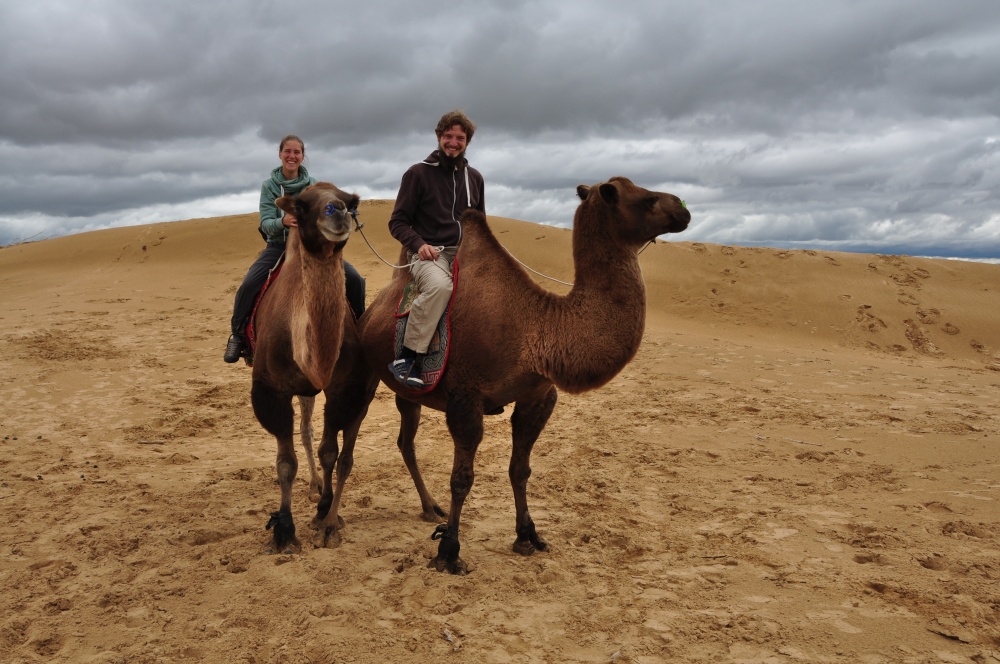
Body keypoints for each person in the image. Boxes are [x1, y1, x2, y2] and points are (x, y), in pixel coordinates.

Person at [224, 135, 366, 363]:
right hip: (278, 246)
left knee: (355, 280)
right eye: (288, 152)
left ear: (302, 156)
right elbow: (266, 222)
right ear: (280, 154)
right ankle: (238, 336)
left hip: (310, 247)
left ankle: (360, 329)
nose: (292, 156)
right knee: (250, 283)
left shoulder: (314, 185)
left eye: (297, 152)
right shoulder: (269, 187)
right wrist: (283, 222)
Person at [387, 110, 485, 388]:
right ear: (439, 137)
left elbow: (480, 223)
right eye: (448, 136)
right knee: (440, 287)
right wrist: (419, 245)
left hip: (467, 253)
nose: (454, 142)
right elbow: (397, 222)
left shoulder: (475, 178)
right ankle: (407, 358)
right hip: (431, 253)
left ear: (467, 142)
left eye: (460, 138)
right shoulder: (417, 173)